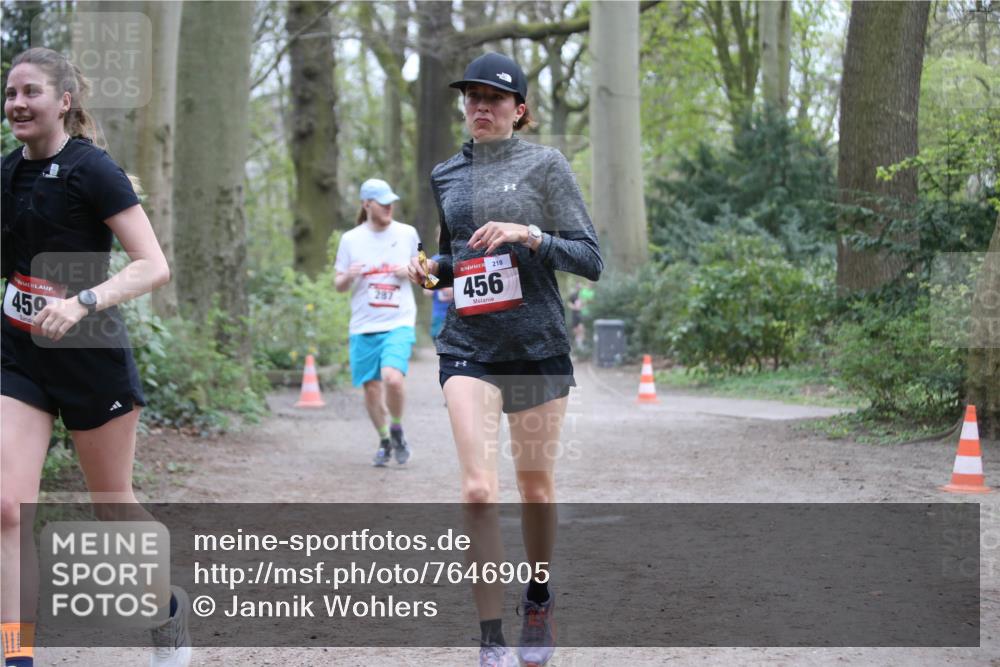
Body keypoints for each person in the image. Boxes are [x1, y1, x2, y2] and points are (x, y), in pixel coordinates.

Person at [408, 52, 602, 667]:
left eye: (494, 98)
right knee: (476, 489)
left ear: (519, 110)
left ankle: (538, 598)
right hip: (469, 348)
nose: (480, 107)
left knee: (534, 487)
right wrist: (430, 271)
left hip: (536, 348)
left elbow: (590, 258)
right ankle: (490, 637)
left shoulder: (546, 166)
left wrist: (528, 233)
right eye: (472, 97)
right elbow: (457, 259)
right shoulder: (446, 175)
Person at [0, 48, 186, 667]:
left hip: (89, 354)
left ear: (64, 101)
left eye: (30, 92)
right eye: (10, 93)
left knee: (112, 505)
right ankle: (17, 655)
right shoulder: (6, 174)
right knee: (6, 508)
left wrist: (83, 301)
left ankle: (165, 613)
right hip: (19, 354)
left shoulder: (93, 170)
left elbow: (153, 266)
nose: (17, 104)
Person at [334, 178, 420, 467]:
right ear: (366, 204)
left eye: (390, 202)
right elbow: (339, 285)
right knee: (371, 389)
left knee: (392, 378)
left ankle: (396, 428)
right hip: (363, 325)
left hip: (399, 321)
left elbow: (427, 273)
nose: (388, 207)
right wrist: (349, 276)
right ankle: (385, 440)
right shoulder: (350, 239)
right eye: (382, 203)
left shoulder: (407, 233)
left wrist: (410, 270)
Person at [426, 254, 453, 341]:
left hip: (458, 314)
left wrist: (454, 290)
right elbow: (427, 290)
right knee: (437, 338)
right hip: (439, 314)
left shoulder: (460, 255)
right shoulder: (435, 260)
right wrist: (439, 289)